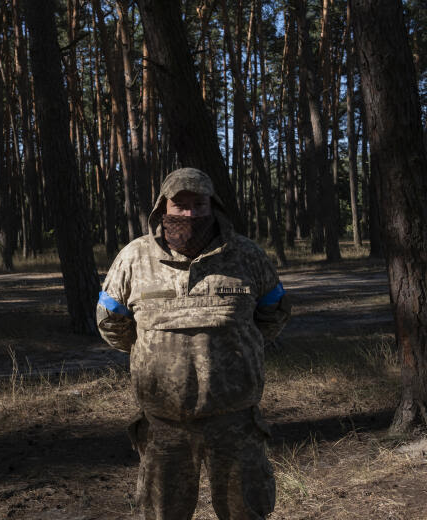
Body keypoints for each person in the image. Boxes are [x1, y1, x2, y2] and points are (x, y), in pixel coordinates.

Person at [97, 168, 291, 520]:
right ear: (162, 207)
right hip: (165, 425)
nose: (188, 214)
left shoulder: (247, 255)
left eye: (198, 204)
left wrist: (235, 350)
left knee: (246, 513)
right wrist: (153, 354)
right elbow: (111, 322)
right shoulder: (133, 258)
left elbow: (273, 314)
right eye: (179, 204)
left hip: (235, 422)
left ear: (212, 206)